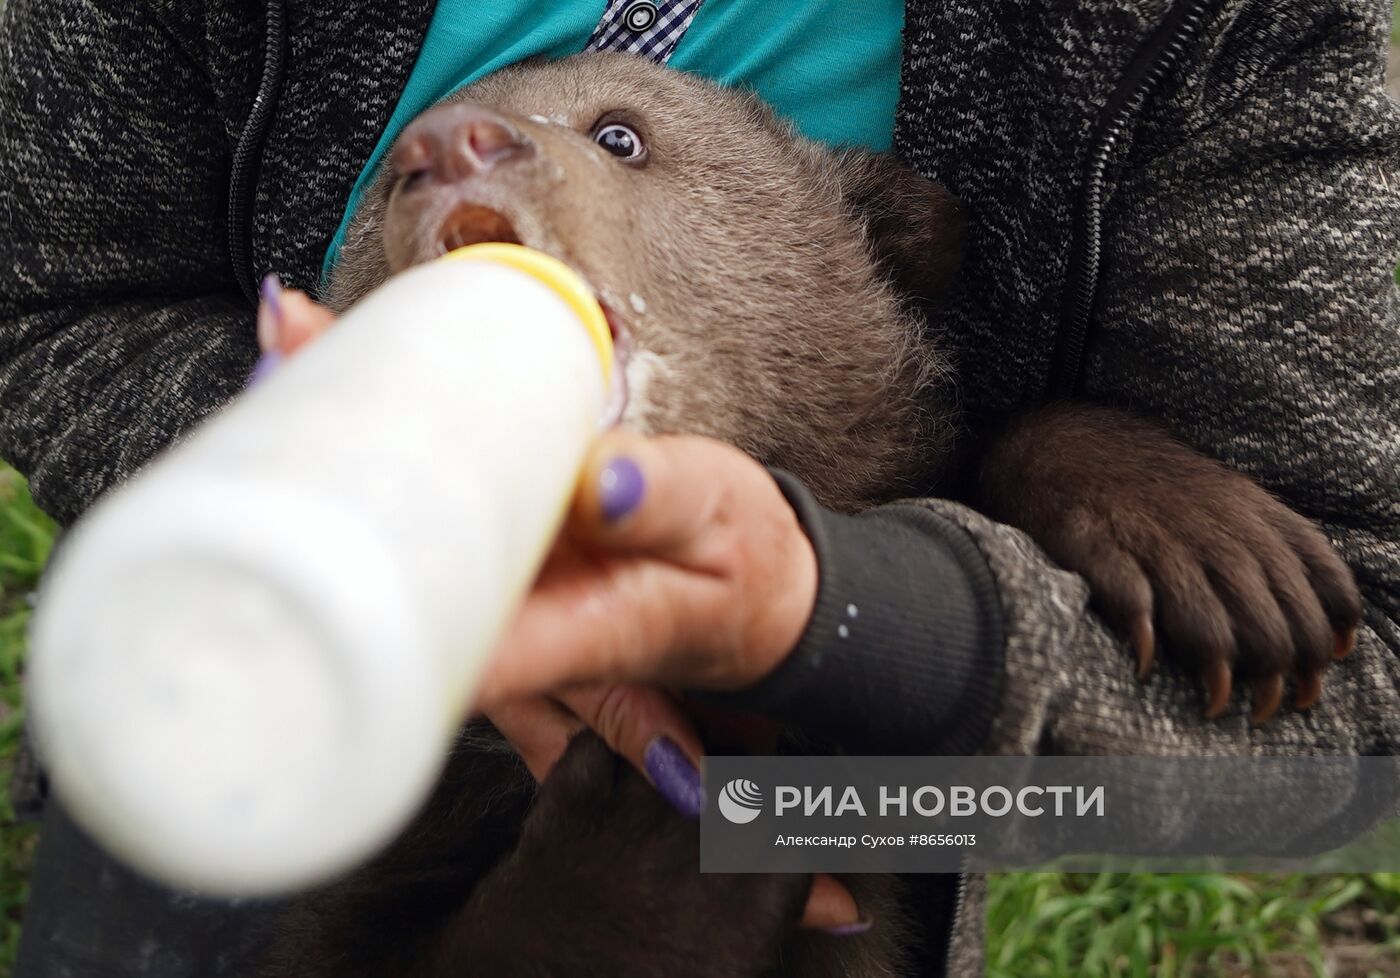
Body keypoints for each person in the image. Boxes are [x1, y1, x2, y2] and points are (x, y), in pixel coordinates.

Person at [2, 0, 1397, 975]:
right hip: (239, 700)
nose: (443, 162)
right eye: (408, 176)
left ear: (873, 235)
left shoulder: (1218, 31)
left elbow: (1352, 728)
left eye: (616, 142)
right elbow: (53, 301)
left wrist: (871, 613)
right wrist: (333, 467)